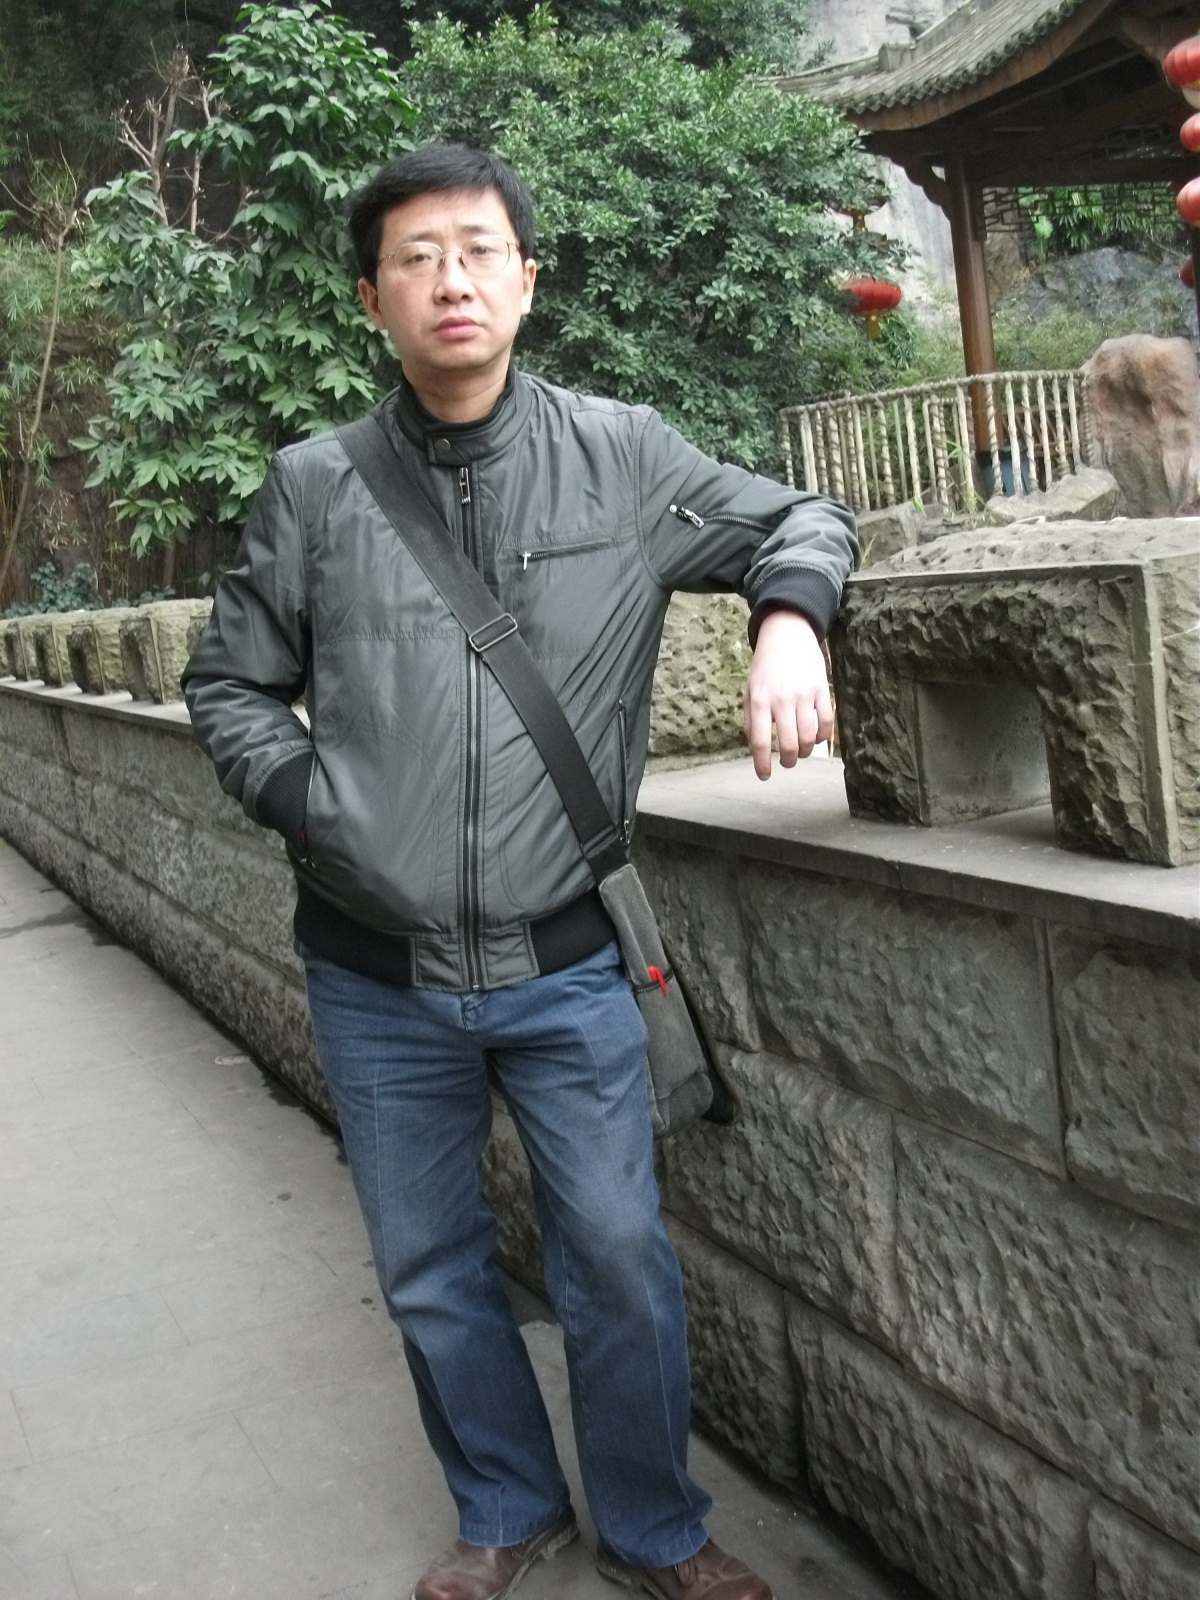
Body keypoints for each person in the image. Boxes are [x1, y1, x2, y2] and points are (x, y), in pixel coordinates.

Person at [183, 143, 857, 1600]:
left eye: (479, 250)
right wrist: (318, 812)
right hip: (374, 975)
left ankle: (656, 1527)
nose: (453, 280)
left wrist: (790, 620)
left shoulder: (625, 456)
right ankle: (505, 1505)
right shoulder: (315, 487)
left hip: (569, 962)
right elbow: (229, 684)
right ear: (373, 298)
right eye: (417, 257)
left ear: (528, 281)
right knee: (430, 1268)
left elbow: (803, 518)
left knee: (617, 1256)